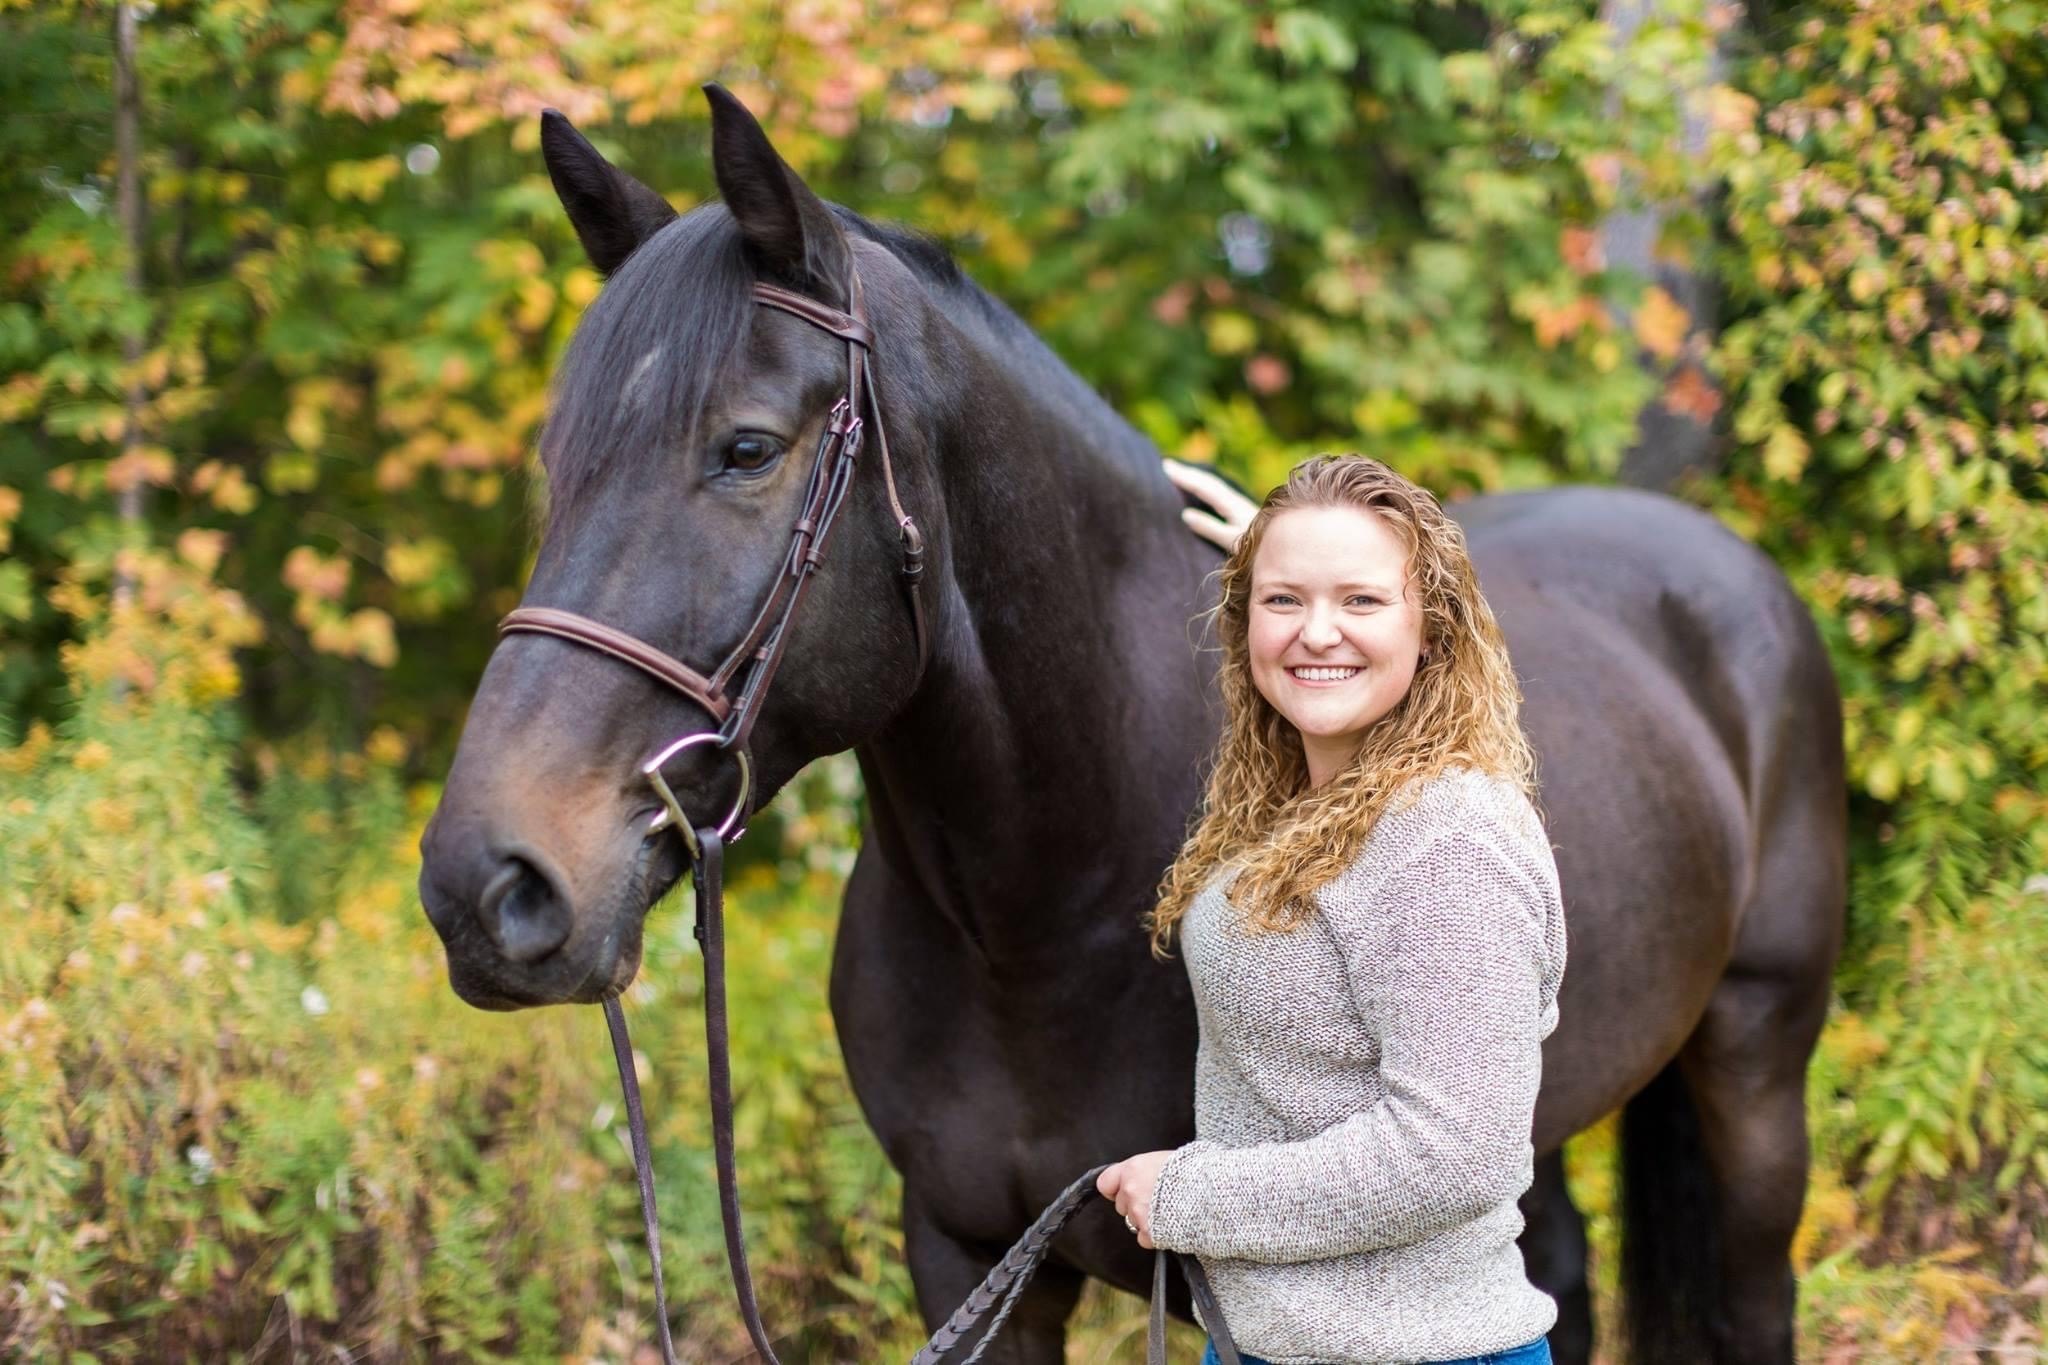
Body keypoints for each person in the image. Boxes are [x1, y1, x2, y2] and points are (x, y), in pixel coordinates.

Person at [1099, 454, 1567, 1365]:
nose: (1317, 632)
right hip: (1269, 1344)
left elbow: (1456, 1150)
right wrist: (1295, 568)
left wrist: (1190, 1198)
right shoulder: (1297, 801)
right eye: (1282, 601)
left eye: (1361, 601)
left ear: (1431, 623)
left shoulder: (1448, 840)